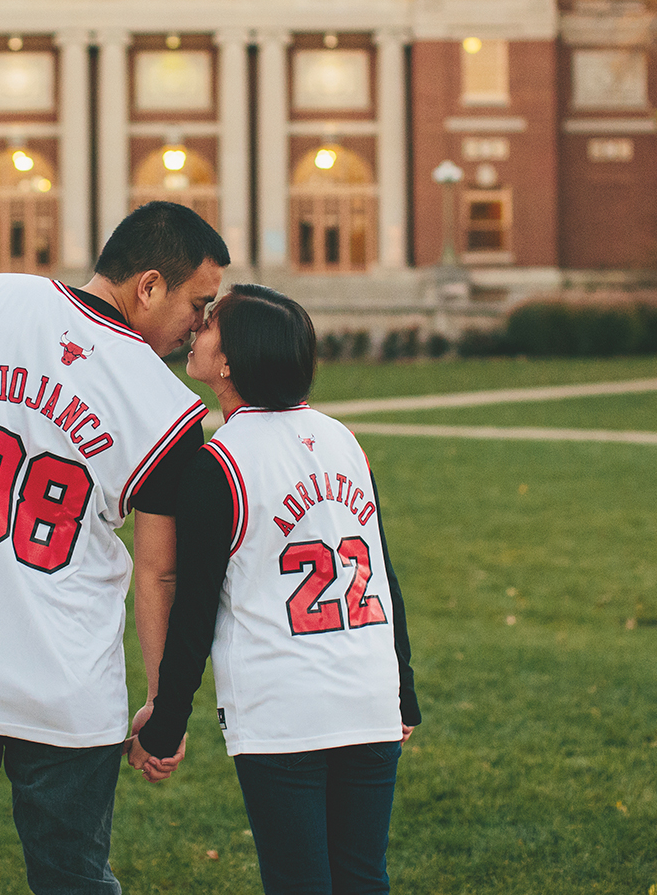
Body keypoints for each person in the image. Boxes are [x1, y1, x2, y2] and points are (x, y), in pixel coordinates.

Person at [0, 201, 228, 895]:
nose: (200, 326)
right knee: (74, 881)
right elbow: (158, 570)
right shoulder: (168, 409)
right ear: (148, 285)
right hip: (65, 683)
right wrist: (160, 698)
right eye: (198, 303)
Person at [134, 285, 420, 895]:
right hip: (369, 695)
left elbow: (195, 608)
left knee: (299, 883)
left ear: (231, 362)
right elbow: (382, 575)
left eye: (210, 327)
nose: (196, 332)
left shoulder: (221, 462)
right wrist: (405, 693)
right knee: (363, 878)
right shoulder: (344, 439)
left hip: (284, 708)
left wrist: (164, 723)